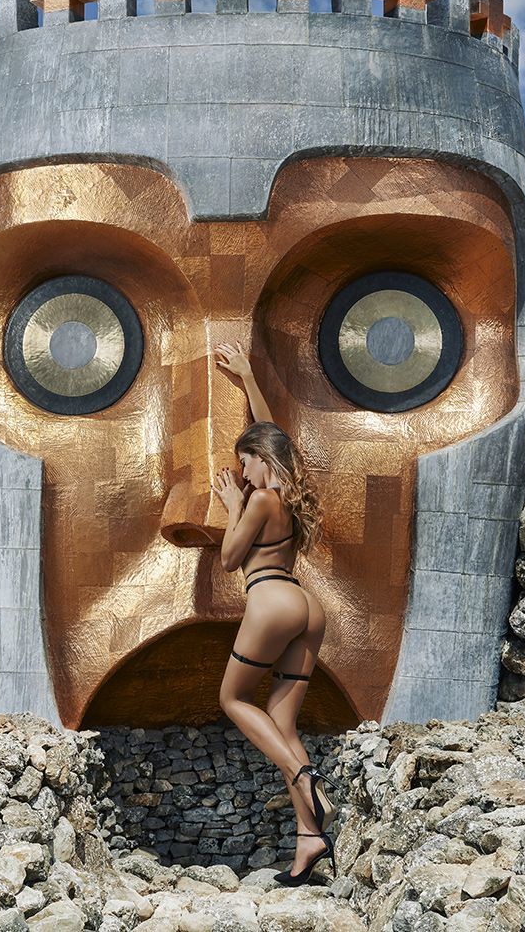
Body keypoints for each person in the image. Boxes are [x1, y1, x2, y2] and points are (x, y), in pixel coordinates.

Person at [210, 341, 336, 885]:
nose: (242, 472)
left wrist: (233, 507)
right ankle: (309, 838)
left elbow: (230, 559)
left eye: (245, 462)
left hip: (270, 600)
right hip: (307, 605)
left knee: (233, 699)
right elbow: (273, 434)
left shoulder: (260, 500)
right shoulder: (293, 489)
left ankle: (304, 779)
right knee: (281, 721)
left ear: (261, 460)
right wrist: (247, 378)